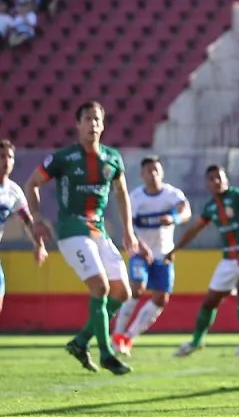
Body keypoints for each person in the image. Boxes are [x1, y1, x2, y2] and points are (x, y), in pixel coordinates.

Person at [23, 101, 139, 375]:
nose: (93, 125)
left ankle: (80, 341)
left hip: (99, 231)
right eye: (88, 119)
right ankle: (107, 353)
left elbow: (122, 194)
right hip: (72, 231)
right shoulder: (63, 158)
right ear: (78, 124)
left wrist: (129, 231)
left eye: (98, 120)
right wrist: (38, 219)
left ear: (103, 124)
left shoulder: (112, 158)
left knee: (123, 292)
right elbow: (32, 184)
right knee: (100, 287)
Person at [168, 166, 239, 360]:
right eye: (211, 178)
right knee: (210, 301)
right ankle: (196, 341)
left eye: (219, 178)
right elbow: (195, 229)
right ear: (206, 183)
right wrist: (175, 249)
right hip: (230, 258)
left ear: (226, 179)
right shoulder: (210, 207)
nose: (216, 181)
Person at [110, 156, 191, 356]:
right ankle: (117, 335)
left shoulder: (171, 194)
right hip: (140, 251)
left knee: (161, 299)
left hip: (163, 254)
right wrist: (140, 244)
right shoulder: (136, 198)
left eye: (156, 169)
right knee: (137, 289)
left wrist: (174, 218)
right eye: (149, 170)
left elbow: (186, 210)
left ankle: (129, 337)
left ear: (161, 172)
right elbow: (128, 225)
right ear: (142, 174)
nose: (153, 173)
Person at [0, 140, 47, 318]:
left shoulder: (13, 191)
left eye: (10, 157)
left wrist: (39, 245)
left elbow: (28, 221)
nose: (6, 161)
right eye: (1, 156)